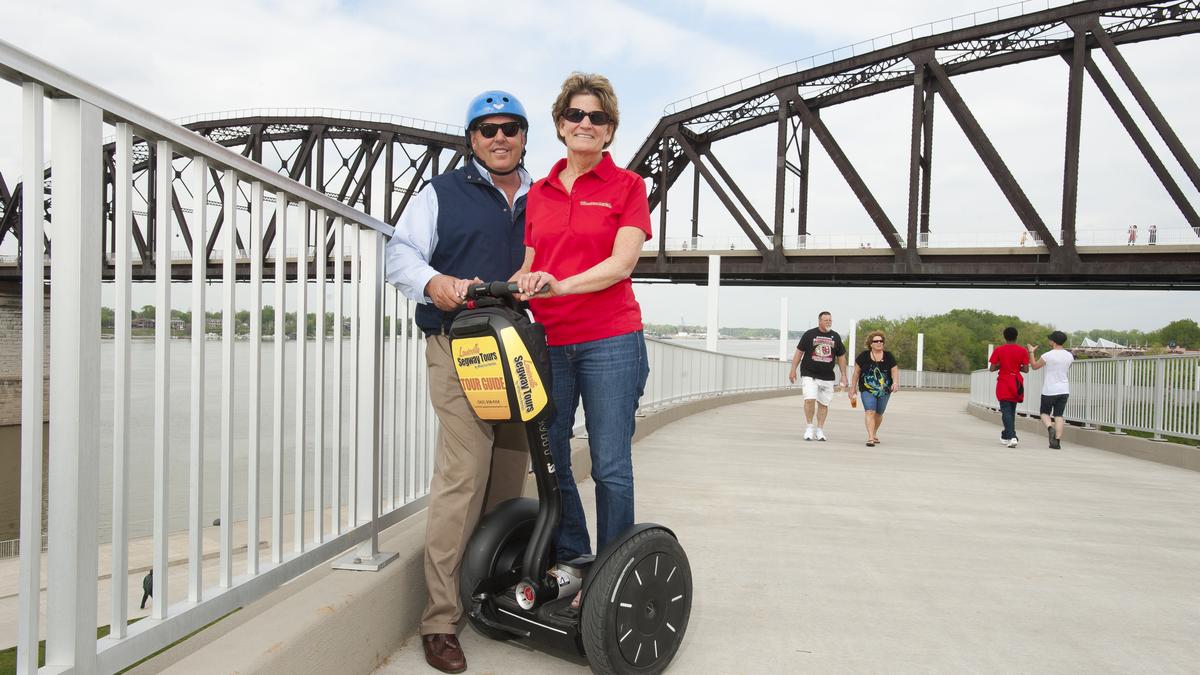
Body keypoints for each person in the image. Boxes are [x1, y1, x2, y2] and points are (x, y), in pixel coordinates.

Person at [385, 89, 533, 674]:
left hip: (519, 351)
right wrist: (432, 282)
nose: (499, 138)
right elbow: (400, 255)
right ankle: (441, 620)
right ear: (471, 139)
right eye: (487, 129)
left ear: (524, 136)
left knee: (509, 476)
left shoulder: (542, 197)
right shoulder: (439, 193)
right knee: (465, 472)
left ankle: (491, 590)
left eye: (510, 128)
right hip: (460, 347)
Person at [514, 73, 652, 599]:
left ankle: (615, 572)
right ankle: (572, 556)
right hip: (549, 342)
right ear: (559, 124)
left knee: (610, 461)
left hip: (610, 339)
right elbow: (531, 262)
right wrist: (523, 281)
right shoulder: (540, 193)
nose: (585, 124)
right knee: (550, 453)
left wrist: (559, 285)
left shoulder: (627, 187)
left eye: (597, 116)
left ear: (610, 129)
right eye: (576, 115)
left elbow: (621, 264)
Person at [788, 311, 848, 441]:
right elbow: (799, 353)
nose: (828, 322)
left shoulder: (835, 336)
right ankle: (809, 427)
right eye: (826, 320)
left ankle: (820, 429)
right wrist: (793, 369)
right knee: (809, 399)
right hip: (809, 374)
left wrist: (843, 375)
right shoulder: (809, 334)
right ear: (819, 321)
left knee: (823, 404)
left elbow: (841, 356)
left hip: (827, 376)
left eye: (830, 320)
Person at [847, 330, 899, 447]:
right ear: (871, 344)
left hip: (884, 390)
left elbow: (894, 370)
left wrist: (895, 382)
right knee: (870, 411)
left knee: (879, 413)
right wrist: (853, 388)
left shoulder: (889, 356)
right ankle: (870, 437)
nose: (879, 343)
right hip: (867, 389)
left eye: (881, 341)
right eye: (876, 341)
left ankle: (874, 433)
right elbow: (856, 373)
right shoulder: (864, 356)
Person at [1029, 330, 1074, 449]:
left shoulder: (1047, 355)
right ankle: (1057, 442)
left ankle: (1050, 428)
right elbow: (1068, 367)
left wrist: (1031, 352)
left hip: (1049, 389)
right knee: (1059, 415)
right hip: (1064, 389)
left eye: (1050, 339)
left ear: (1053, 342)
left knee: (1044, 413)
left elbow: (1034, 366)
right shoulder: (1070, 356)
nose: (1049, 341)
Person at [988, 326, 1029, 448]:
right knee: (1011, 410)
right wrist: (1016, 367)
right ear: (1016, 337)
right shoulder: (1022, 351)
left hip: (1004, 382)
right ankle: (1006, 435)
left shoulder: (999, 350)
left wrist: (1003, 365)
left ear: (1004, 337)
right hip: (1016, 382)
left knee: (1006, 410)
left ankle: (1012, 437)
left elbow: (992, 368)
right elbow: (1026, 369)